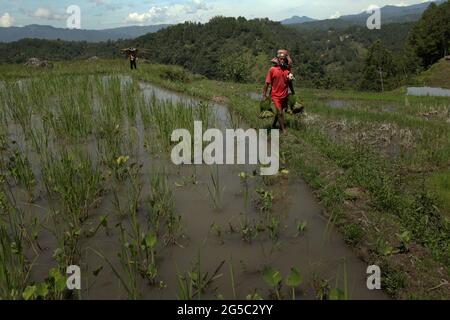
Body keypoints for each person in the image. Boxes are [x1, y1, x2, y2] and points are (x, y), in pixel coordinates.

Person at [262, 50, 295, 132]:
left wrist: (293, 92)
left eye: (284, 59)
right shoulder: (272, 70)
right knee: (280, 112)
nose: (282, 60)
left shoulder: (287, 71)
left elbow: (290, 83)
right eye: (281, 59)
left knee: (280, 111)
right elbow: (267, 83)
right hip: (275, 96)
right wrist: (264, 95)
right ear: (278, 59)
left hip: (284, 95)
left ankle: (274, 124)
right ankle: (283, 129)